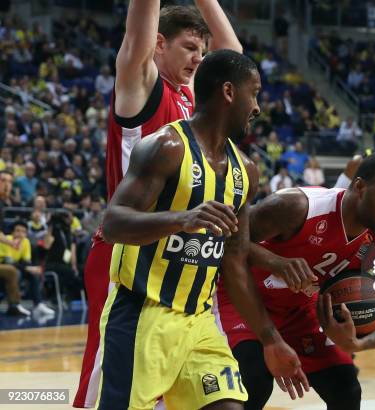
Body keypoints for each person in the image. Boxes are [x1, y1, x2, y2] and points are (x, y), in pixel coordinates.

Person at [97, 50, 305, 409]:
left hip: (199, 322)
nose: (257, 106)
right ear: (228, 92)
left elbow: (235, 261)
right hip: (142, 315)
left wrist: (270, 338)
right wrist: (182, 219)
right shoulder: (166, 147)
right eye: (253, 92)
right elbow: (113, 223)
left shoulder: (246, 172)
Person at [74, 2, 244, 408]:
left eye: (201, 51)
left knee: (177, 389)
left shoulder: (192, 100)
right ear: (159, 45)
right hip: (128, 252)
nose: (198, 58)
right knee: (107, 383)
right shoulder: (141, 86)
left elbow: (233, 61)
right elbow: (137, 32)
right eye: (188, 48)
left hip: (183, 260)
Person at [217, 152, 375, 410]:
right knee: (254, 381)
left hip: (299, 311)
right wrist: (275, 262)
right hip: (242, 300)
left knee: (346, 390)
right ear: (360, 187)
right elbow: (225, 240)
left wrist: (358, 344)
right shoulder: (297, 206)